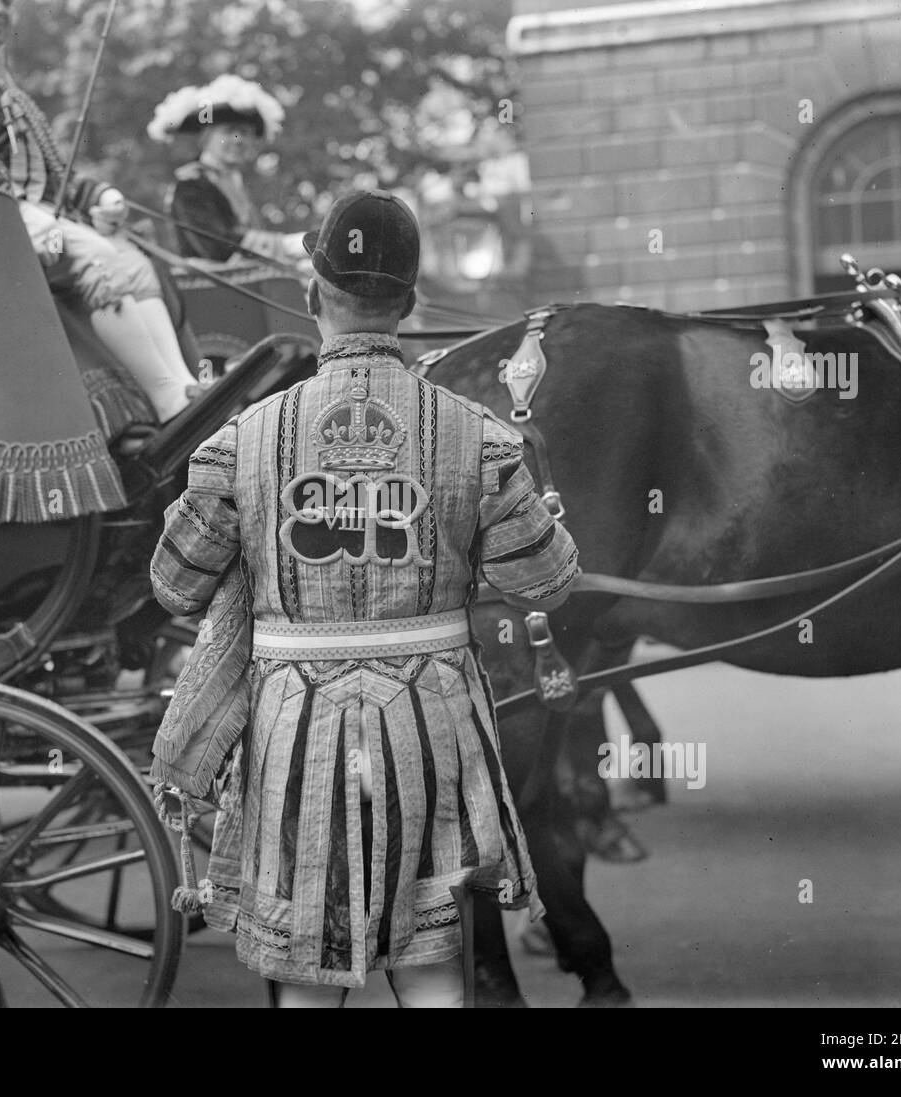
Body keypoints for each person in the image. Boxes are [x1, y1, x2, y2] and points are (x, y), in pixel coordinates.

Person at [150, 190, 581, 1007]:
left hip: (292, 725)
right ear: (411, 302)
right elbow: (551, 582)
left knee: (309, 978)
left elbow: (173, 584)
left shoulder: (240, 441)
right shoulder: (478, 435)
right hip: (430, 720)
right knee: (428, 971)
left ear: (314, 295)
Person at [0, 0, 199, 423]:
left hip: (25, 212)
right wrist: (22, 223)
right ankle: (166, 400)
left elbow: (47, 172)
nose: (0, 9)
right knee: (99, 257)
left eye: (7, 2)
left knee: (133, 260)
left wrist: (99, 196)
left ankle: (184, 385)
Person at [148, 74, 306, 264]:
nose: (238, 140)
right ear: (207, 137)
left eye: (245, 133)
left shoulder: (236, 183)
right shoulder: (191, 184)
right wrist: (289, 245)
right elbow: (215, 246)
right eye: (229, 132)